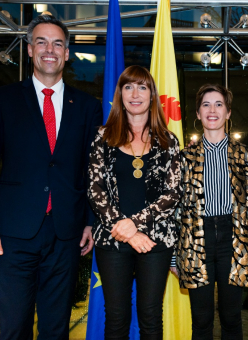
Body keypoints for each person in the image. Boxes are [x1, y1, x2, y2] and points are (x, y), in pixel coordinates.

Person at [0, 15, 102, 339]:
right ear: (29, 50)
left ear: (67, 53)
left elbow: (91, 168)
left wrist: (88, 220)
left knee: (56, 330)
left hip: (65, 235)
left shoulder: (87, 107)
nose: (49, 50)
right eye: (41, 42)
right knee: (14, 329)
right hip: (11, 235)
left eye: (58, 43)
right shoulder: (1, 101)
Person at [88, 65, 181, 339]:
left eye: (142, 87)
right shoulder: (102, 138)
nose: (135, 93)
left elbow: (172, 194)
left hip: (156, 242)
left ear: (152, 95)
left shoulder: (168, 141)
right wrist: (124, 229)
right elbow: (95, 190)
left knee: (151, 319)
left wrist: (134, 226)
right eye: (128, 87)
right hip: (112, 240)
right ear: (120, 94)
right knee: (116, 319)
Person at [176, 84, 248, 340]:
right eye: (206, 105)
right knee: (201, 319)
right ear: (198, 114)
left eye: (219, 104)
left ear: (228, 112)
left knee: (232, 317)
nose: (212, 110)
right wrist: (174, 258)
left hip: (234, 241)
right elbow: (175, 209)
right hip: (196, 240)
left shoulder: (244, 156)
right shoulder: (183, 158)